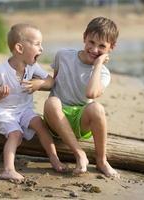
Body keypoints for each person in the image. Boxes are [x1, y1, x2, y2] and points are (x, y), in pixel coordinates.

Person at [0, 23, 66, 181]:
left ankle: (54, 158)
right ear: (20, 48)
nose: (41, 49)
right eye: (37, 44)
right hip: (3, 111)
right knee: (16, 134)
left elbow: (51, 82)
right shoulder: (0, 71)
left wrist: (39, 84)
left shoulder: (33, 67)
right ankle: (8, 169)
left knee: (40, 124)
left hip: (23, 109)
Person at [44, 17, 119, 177]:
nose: (94, 49)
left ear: (111, 47)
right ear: (84, 37)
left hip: (80, 121)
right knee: (52, 102)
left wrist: (98, 65)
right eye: (91, 42)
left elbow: (91, 94)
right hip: (56, 118)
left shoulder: (103, 73)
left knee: (97, 108)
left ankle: (101, 160)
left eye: (102, 46)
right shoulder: (63, 56)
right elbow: (54, 82)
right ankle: (80, 154)